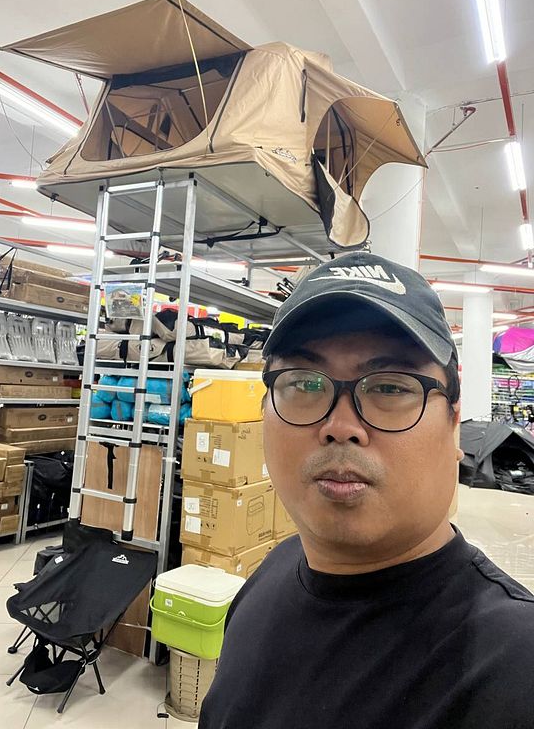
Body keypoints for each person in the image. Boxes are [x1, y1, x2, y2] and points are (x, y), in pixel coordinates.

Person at [199, 251, 534, 729]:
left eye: (391, 388)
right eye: (304, 381)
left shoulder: (513, 669)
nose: (340, 426)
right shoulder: (269, 576)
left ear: (455, 425)